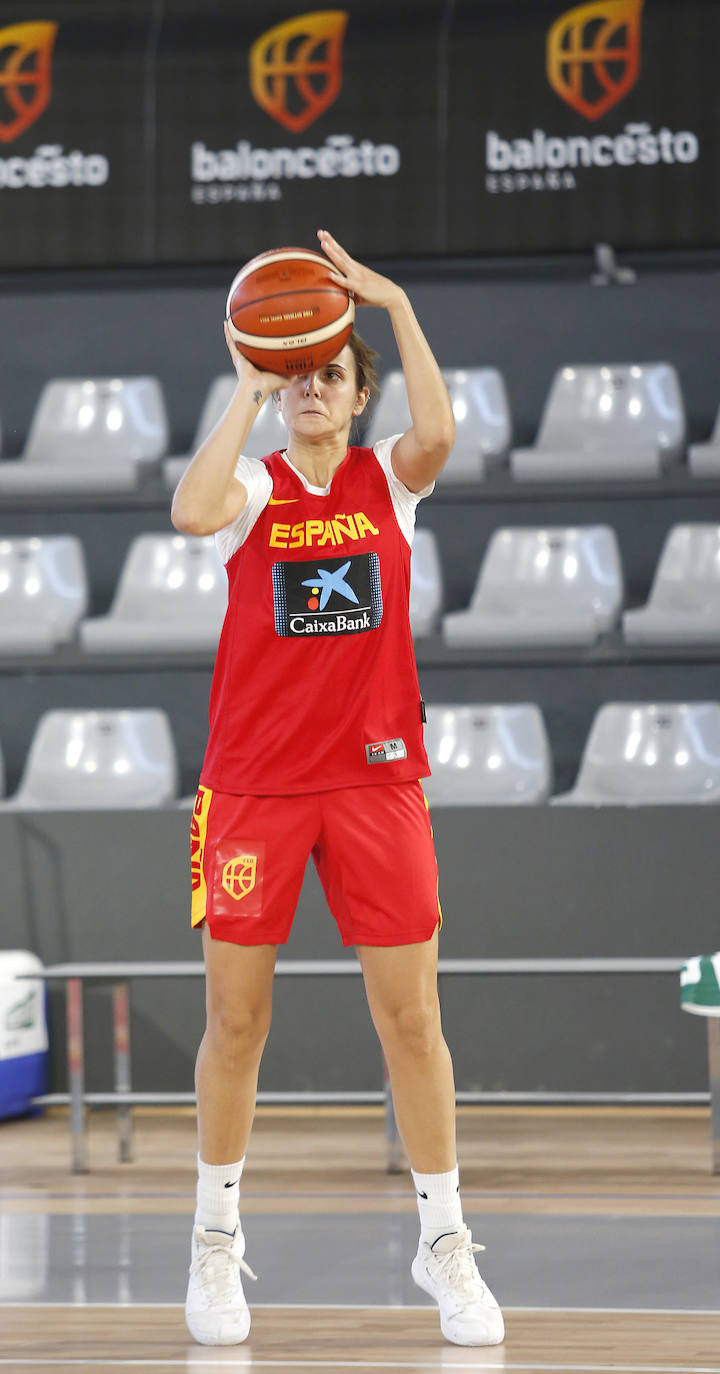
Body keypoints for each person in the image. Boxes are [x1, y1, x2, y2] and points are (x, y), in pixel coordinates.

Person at [171, 229, 504, 1350]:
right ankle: (215, 1244)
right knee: (236, 1019)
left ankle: (445, 1243)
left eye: (329, 377)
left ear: (360, 396)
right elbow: (186, 510)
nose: (311, 391)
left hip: (376, 785)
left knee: (413, 1019)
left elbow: (445, 429)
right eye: (296, 378)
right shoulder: (252, 488)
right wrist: (245, 387)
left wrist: (395, 304)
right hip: (257, 789)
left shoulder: (387, 485)